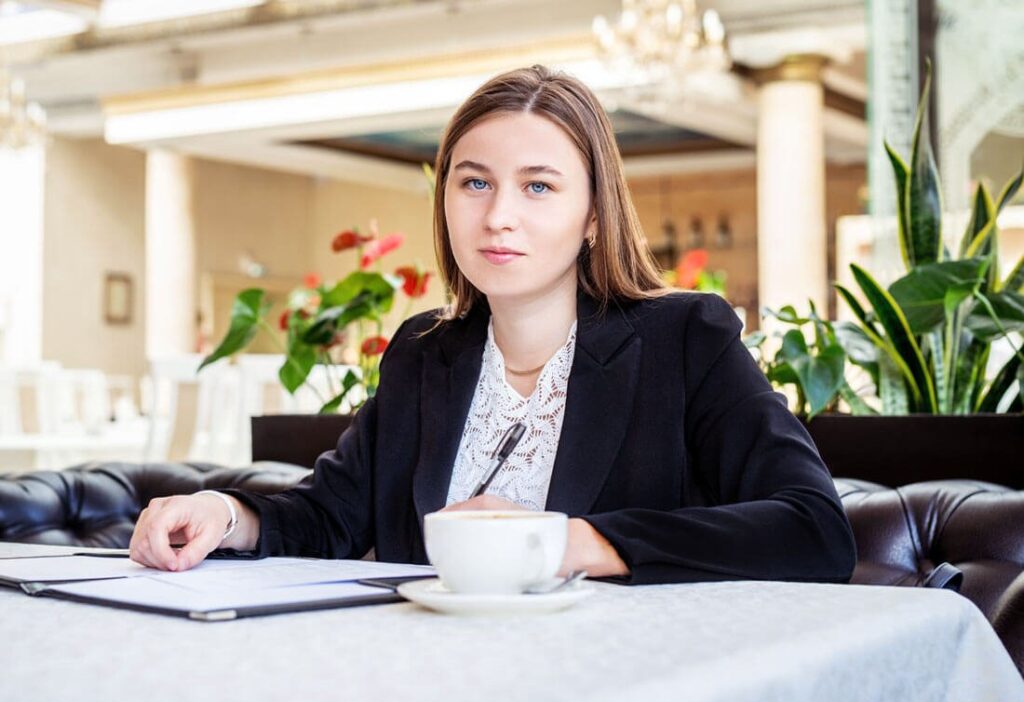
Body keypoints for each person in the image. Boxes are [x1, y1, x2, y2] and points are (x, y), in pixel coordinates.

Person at [129, 65, 856, 584]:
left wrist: (568, 543)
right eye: (474, 182)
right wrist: (223, 514)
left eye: (538, 186)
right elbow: (331, 516)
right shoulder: (424, 352)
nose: (498, 215)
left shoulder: (684, 338)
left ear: (594, 215)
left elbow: (814, 529)